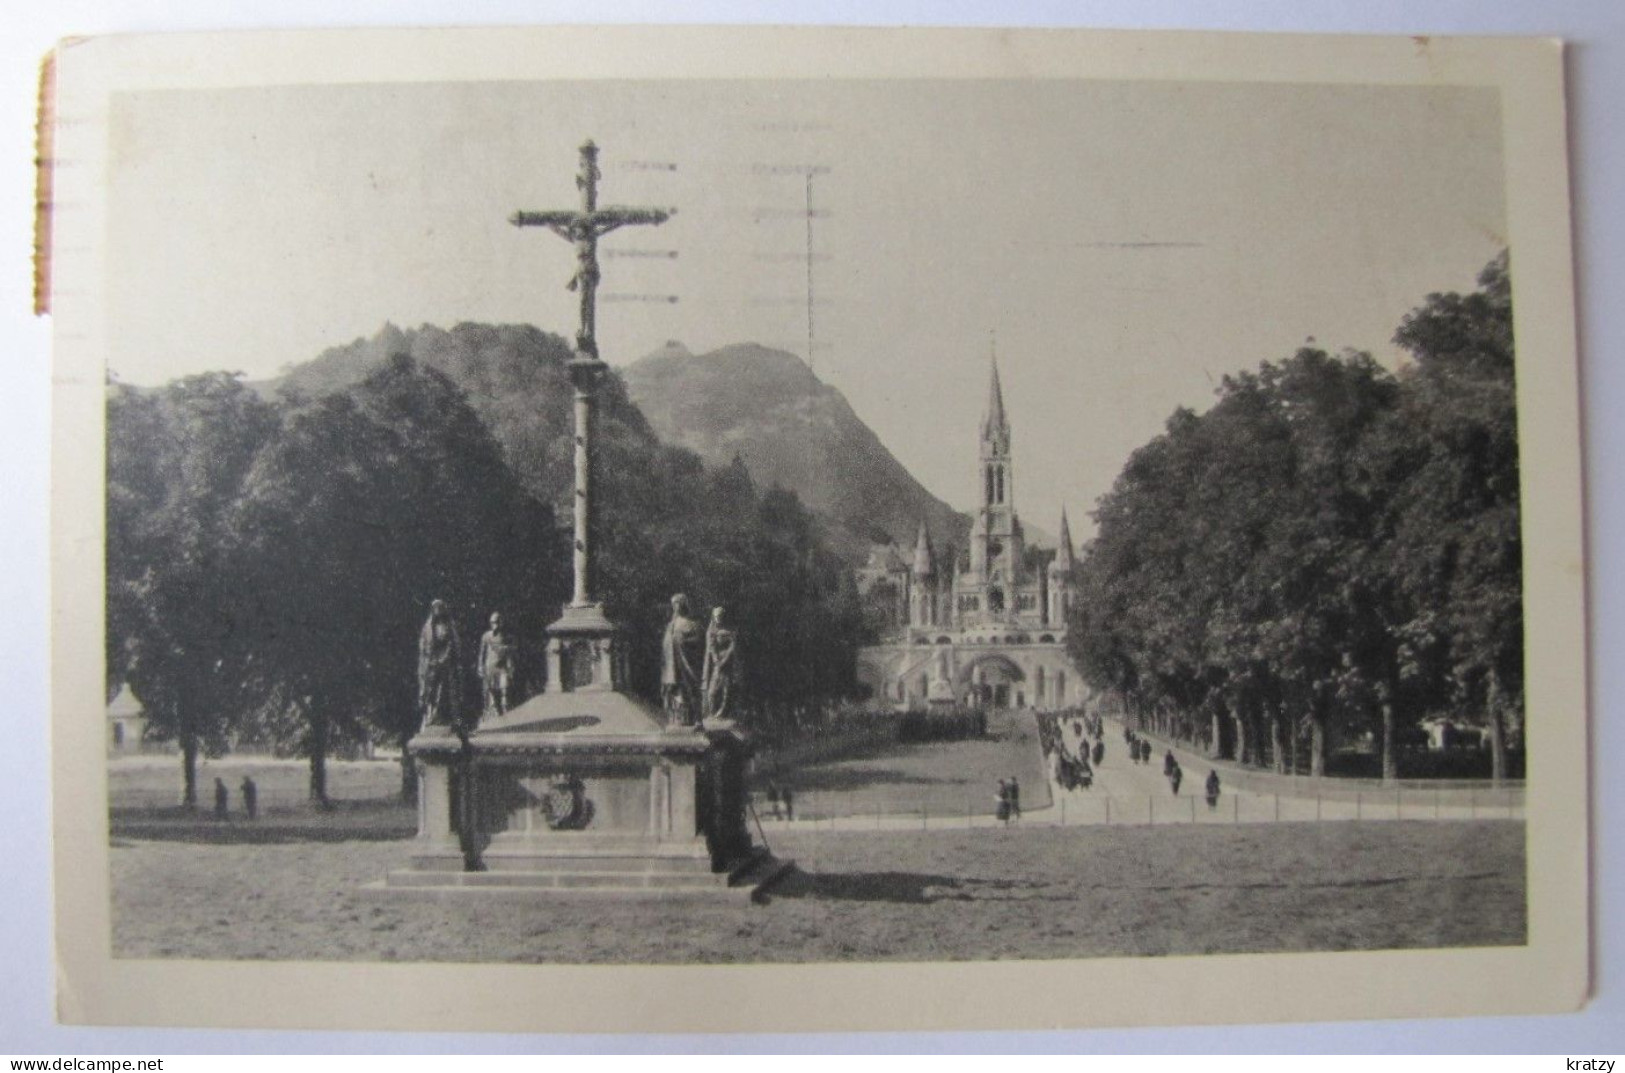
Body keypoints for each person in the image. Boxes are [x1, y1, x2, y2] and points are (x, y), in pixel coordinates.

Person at [418, 599, 465, 729]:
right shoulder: (428, 627)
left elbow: (454, 644)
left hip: (446, 664)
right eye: (435, 608)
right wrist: (428, 659)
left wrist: (445, 657)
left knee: (443, 691)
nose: (438, 610)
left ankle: (441, 716)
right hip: (431, 664)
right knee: (430, 690)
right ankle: (429, 715)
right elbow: (423, 645)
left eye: (440, 607)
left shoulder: (449, 626)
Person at [660, 593, 705, 727]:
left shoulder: (694, 625)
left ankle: (696, 719)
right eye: (674, 604)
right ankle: (677, 719)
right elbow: (666, 645)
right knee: (675, 691)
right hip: (672, 664)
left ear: (684, 605)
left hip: (687, 663)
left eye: (678, 603)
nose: (676, 606)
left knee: (690, 688)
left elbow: (699, 643)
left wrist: (682, 642)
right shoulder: (671, 625)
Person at [701, 605, 742, 723]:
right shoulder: (711, 630)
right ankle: (713, 713)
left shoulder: (731, 630)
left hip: (728, 663)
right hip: (716, 664)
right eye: (716, 616)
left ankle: (723, 713)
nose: (718, 618)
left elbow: (733, 646)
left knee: (727, 690)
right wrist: (716, 661)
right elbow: (711, 647)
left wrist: (726, 658)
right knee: (713, 690)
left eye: (720, 615)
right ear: (713, 617)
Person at [477, 611, 516, 716]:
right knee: (491, 692)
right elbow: (482, 653)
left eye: (497, 622)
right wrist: (480, 666)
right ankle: (493, 713)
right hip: (490, 667)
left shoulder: (507, 636)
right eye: (493, 622)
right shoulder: (486, 636)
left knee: (505, 690)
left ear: (501, 622)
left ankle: (506, 711)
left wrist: (510, 665)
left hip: (502, 667)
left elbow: (511, 652)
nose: (495, 625)